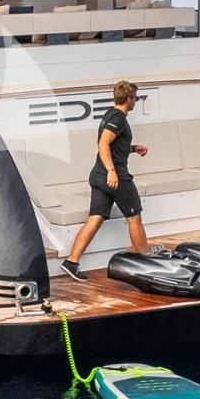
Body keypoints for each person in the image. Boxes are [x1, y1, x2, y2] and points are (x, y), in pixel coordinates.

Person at [58, 80, 150, 281]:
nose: (136, 101)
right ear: (129, 99)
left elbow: (114, 144)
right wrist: (112, 171)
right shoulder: (118, 118)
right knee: (134, 216)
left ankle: (71, 262)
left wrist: (133, 148)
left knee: (96, 218)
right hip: (115, 177)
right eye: (135, 97)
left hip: (98, 176)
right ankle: (146, 261)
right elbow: (103, 144)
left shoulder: (111, 114)